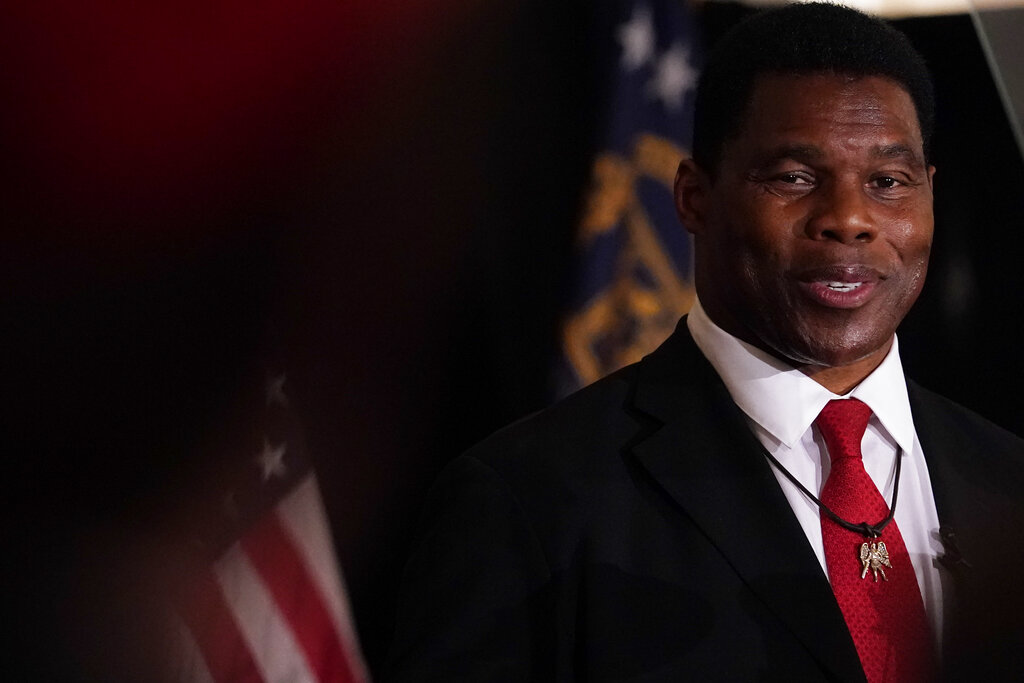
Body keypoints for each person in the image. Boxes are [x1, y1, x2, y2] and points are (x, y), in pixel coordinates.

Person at [385, 4, 1024, 681]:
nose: (849, 219)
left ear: (929, 195)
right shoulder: (528, 499)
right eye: (794, 177)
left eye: (887, 182)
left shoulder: (1010, 483)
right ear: (694, 197)